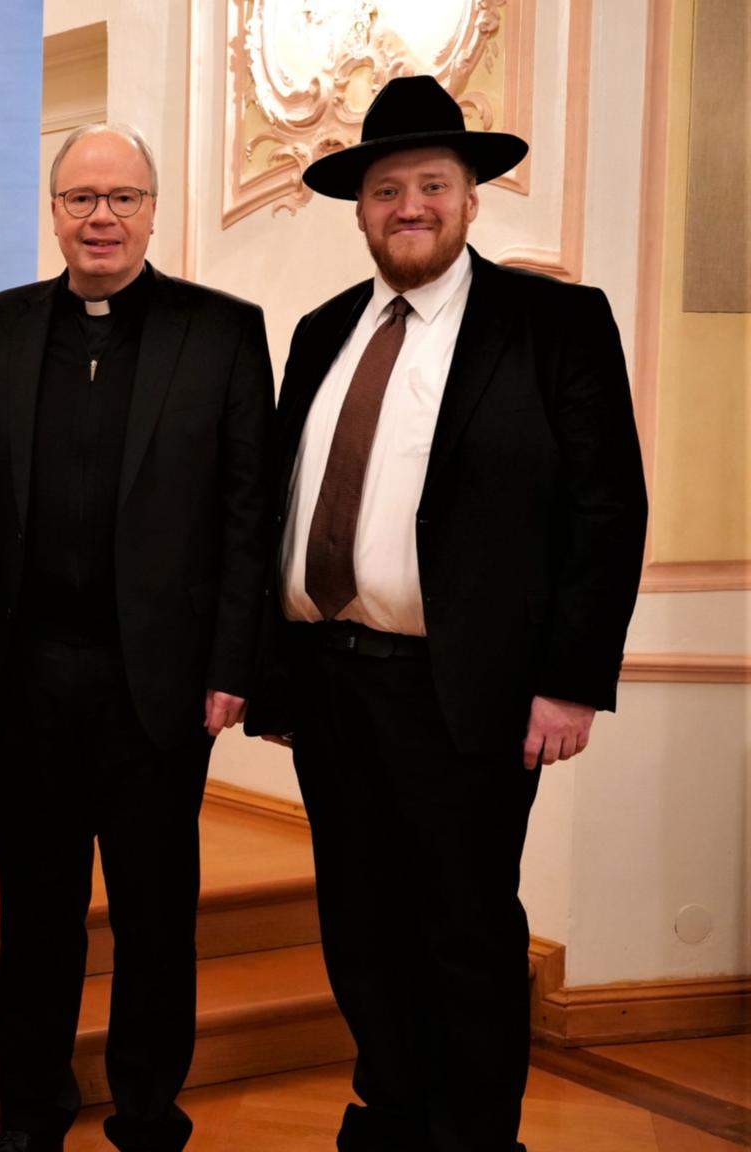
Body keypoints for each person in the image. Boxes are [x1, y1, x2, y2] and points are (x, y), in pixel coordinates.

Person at [247, 74, 648, 1150]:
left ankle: (471, 1136)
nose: (408, 206)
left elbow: (605, 508)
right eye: (385, 190)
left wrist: (568, 679)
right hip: (329, 679)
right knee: (359, 923)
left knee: (464, 927)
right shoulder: (322, 329)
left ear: (471, 198)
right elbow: (280, 504)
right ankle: (391, 1109)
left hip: (463, 686)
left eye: (431, 184)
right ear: (360, 208)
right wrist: (272, 672)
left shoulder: (552, 322)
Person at [0, 123, 276, 1152]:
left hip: (162, 684)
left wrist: (233, 668)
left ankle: (145, 1112)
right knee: (33, 917)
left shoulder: (220, 329)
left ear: (151, 208)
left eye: (121, 198)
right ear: (51, 211)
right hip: (26, 672)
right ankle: (30, 1113)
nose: (100, 217)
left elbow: (245, 513)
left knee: (153, 919)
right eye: (81, 198)